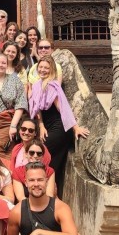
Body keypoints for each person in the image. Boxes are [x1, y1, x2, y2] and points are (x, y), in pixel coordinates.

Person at [28, 56, 89, 193]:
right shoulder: (37, 84)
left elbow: (63, 108)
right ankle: (50, 191)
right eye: (41, 67)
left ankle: (45, 189)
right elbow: (38, 110)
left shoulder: (52, 85)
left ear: (52, 70)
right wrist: (42, 125)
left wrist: (75, 128)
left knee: (41, 151)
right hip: (47, 126)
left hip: (60, 126)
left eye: (46, 68)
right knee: (54, 162)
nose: (43, 70)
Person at [10, 136, 55, 201]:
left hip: (45, 205)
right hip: (25, 206)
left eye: (39, 154)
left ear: (42, 156)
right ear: (26, 154)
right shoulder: (17, 172)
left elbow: (49, 195)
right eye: (31, 153)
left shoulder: (49, 171)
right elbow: (20, 198)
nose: (35, 156)